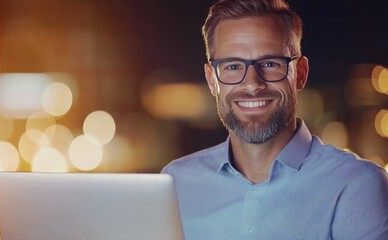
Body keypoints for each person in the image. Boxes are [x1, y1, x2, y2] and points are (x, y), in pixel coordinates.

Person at [162, 0, 388, 239]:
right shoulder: (175, 183)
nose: (251, 84)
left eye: (270, 64)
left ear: (300, 73)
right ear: (211, 80)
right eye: (232, 67)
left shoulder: (357, 186)